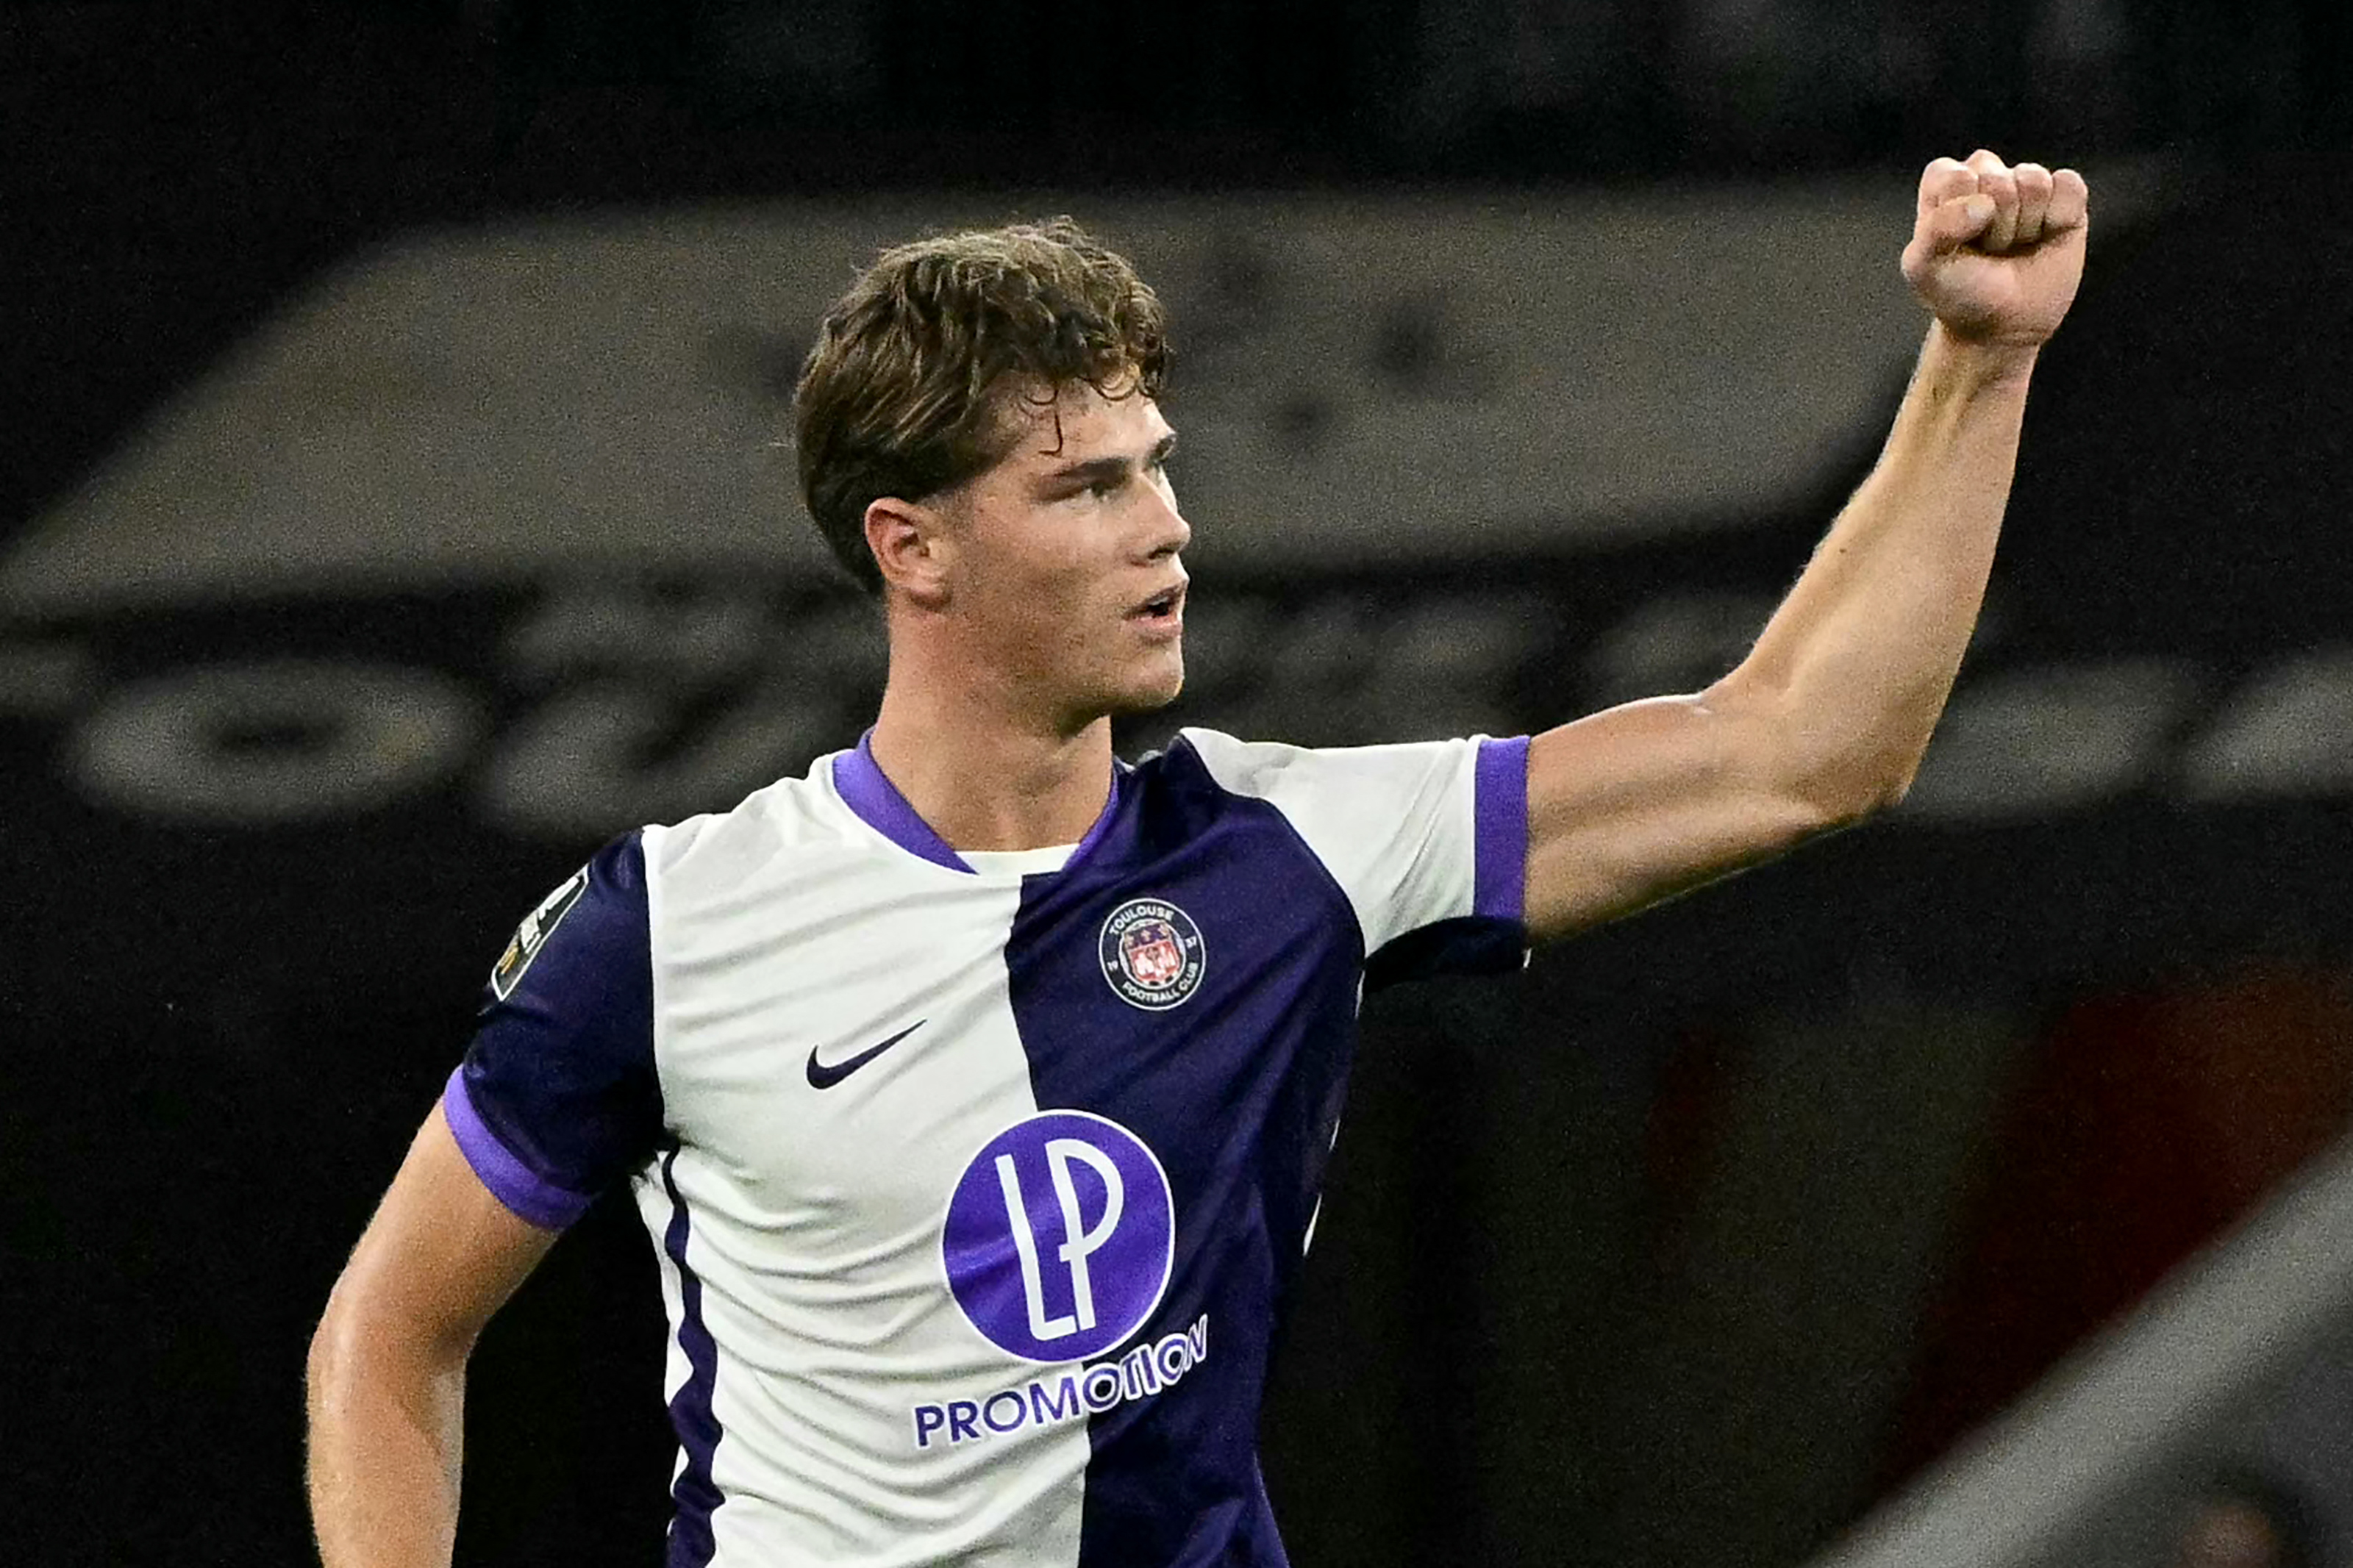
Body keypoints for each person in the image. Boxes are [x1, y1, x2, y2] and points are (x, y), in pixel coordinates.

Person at [305, 150, 2090, 1567]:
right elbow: (388, 1335)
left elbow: (1801, 751)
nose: (1169, 527)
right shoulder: (678, 924)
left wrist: (1981, 357)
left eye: (1159, 468)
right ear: (911, 547)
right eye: (1086, 487)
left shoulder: (1287, 850)